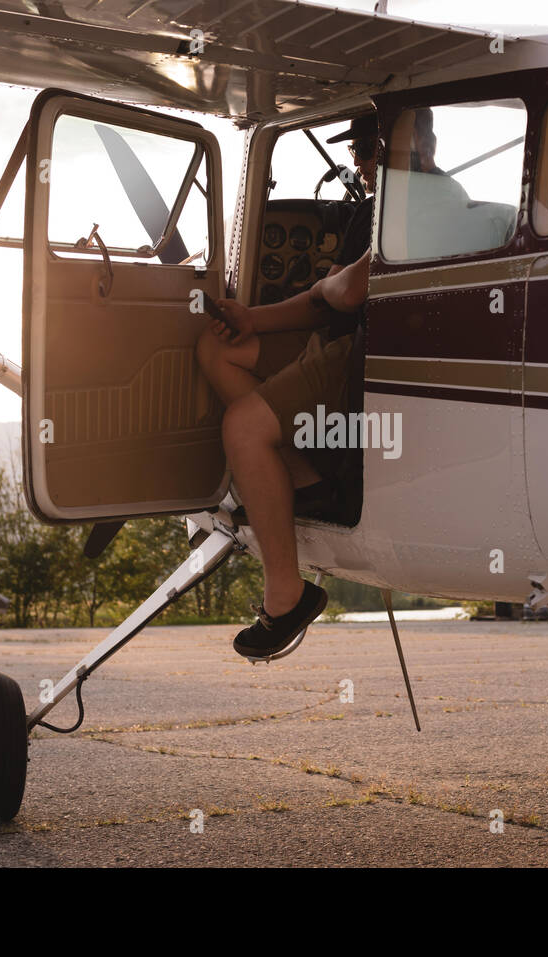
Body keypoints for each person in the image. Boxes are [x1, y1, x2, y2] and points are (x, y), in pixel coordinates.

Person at [194, 114, 376, 661]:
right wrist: (252, 318)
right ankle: (303, 477)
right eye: (358, 152)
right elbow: (323, 300)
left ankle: (286, 595)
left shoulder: (411, 209)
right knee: (216, 348)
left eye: (367, 150)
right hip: (332, 341)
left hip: (359, 354)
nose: (360, 164)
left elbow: (345, 294)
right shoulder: (372, 211)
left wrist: (327, 282)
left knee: (243, 427)